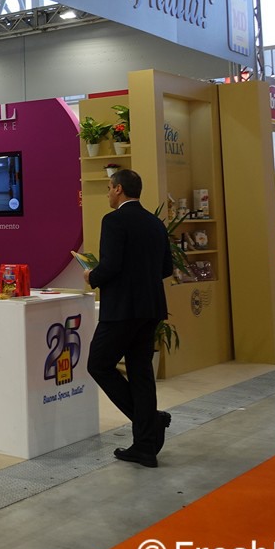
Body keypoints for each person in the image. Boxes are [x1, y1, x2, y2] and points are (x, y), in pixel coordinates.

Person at [84, 169, 173, 468]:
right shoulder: (155, 223)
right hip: (151, 308)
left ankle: (150, 422)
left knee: (98, 364)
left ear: (119, 189)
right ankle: (145, 446)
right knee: (141, 372)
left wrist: (92, 276)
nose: (108, 193)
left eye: (109, 188)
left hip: (122, 309)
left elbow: (111, 266)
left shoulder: (113, 221)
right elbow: (166, 268)